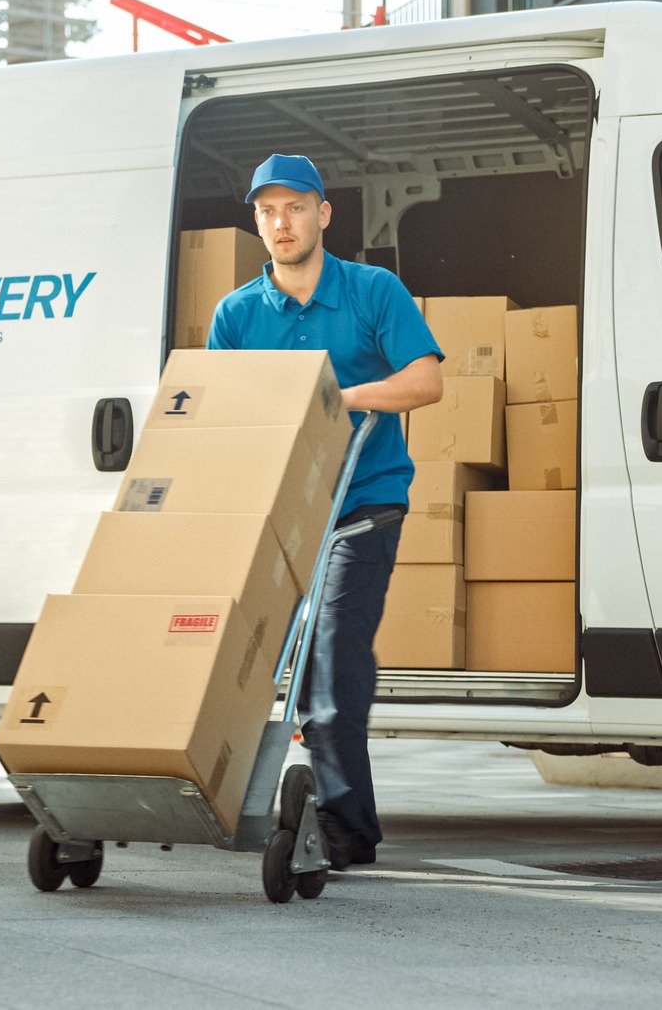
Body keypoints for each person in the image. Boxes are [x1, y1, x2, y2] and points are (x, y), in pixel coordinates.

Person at [207, 153, 443, 869]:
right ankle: (216, 791)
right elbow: (220, 412)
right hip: (277, 514)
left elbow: (426, 381)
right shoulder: (238, 313)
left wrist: (339, 400)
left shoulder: (374, 291)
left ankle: (347, 830)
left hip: (361, 506)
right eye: (269, 211)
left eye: (296, 207)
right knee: (234, 658)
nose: (283, 222)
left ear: (323, 214)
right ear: (257, 221)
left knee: (333, 665)